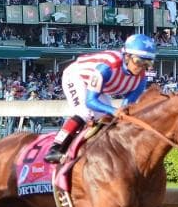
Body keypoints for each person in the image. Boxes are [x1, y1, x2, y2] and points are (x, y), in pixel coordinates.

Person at [45, 34, 156, 163]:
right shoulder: (107, 67)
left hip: (100, 87)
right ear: (127, 56)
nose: (142, 67)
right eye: (138, 61)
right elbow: (91, 101)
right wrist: (114, 110)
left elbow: (125, 107)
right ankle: (55, 149)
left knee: (108, 119)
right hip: (77, 76)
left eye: (148, 63)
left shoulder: (141, 80)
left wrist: (119, 113)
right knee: (85, 112)